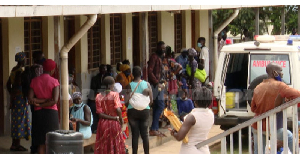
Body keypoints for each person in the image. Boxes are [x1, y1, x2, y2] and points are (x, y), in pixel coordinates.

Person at [251, 62, 300, 154]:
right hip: (274, 126)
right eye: (280, 71)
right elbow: (298, 95)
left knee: (258, 152)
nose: (282, 73)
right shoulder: (280, 86)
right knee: (289, 138)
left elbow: (253, 108)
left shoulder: (258, 87)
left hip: (257, 125)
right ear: (274, 73)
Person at [28, 59, 60, 154]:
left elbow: (30, 99)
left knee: (41, 143)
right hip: (51, 114)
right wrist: (46, 101)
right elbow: (54, 100)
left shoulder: (34, 81)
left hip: (38, 113)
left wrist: (39, 103)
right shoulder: (54, 82)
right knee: (51, 141)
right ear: (52, 70)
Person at [170, 87, 214, 154]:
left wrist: (173, 133)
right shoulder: (211, 114)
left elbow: (179, 137)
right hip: (204, 150)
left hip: (189, 150)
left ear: (195, 101)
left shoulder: (192, 117)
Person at [125, 66, 153, 154]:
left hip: (132, 112)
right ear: (141, 74)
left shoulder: (129, 85)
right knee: (145, 135)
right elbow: (151, 101)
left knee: (135, 135)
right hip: (145, 111)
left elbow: (126, 102)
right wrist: (144, 105)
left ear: (132, 75)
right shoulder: (147, 84)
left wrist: (133, 104)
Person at [6, 52, 31, 151]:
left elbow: (8, 84)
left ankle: (14, 144)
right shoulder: (20, 72)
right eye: (25, 59)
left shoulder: (13, 70)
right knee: (20, 121)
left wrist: (12, 94)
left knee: (16, 121)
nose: (26, 61)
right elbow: (18, 83)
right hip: (20, 99)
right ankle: (16, 145)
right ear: (22, 60)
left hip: (15, 99)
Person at [94, 76, 125, 154]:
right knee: (115, 144)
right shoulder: (115, 94)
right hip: (114, 124)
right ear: (110, 86)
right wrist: (120, 119)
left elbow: (100, 114)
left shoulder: (98, 96)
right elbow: (118, 109)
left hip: (103, 124)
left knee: (104, 144)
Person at [148, 41, 167, 137]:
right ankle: (153, 128)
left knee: (157, 107)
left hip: (159, 85)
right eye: (162, 48)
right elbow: (150, 71)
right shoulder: (154, 57)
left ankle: (154, 128)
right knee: (160, 106)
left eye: (164, 48)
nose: (163, 50)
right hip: (155, 86)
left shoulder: (160, 58)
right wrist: (156, 83)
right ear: (158, 48)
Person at [88, 64, 107, 133]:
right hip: (95, 99)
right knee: (95, 114)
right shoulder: (95, 78)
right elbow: (94, 89)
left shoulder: (107, 77)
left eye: (105, 69)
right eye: (102, 69)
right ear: (99, 70)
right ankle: (95, 129)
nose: (104, 70)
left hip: (104, 99)